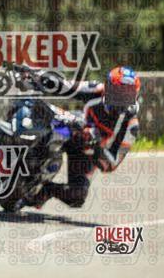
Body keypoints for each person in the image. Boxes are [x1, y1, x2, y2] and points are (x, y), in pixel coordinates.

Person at [29, 66, 141, 208]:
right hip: (72, 129)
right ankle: (25, 157)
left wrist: (96, 146)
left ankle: (45, 190)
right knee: (43, 119)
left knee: (77, 196)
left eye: (126, 95)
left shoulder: (131, 127)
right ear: (107, 87)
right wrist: (39, 76)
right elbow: (66, 86)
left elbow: (111, 165)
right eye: (117, 92)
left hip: (88, 152)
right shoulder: (97, 89)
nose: (121, 99)